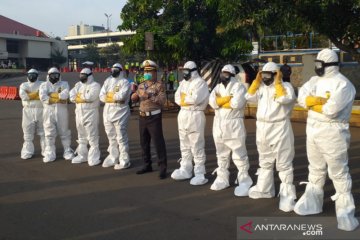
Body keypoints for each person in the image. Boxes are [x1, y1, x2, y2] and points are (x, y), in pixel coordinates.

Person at [295, 49, 358, 231]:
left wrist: (311, 102)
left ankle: (345, 213)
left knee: (338, 173)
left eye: (320, 64)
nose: (317, 67)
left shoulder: (343, 85)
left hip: (333, 133)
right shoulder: (315, 81)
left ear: (329, 64)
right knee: (315, 169)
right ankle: (312, 204)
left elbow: (332, 111)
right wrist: (319, 101)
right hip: (313, 129)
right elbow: (301, 99)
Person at [245, 62, 297, 212]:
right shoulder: (262, 88)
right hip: (262, 127)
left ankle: (287, 196)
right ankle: (265, 189)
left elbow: (284, 100)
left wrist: (279, 82)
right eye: (263, 74)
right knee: (265, 160)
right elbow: (248, 96)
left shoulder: (285, 87)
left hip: (279, 127)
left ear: (276, 74)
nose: (265, 78)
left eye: (268, 75)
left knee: (284, 162)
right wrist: (255, 82)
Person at [208, 64, 252, 195]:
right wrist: (227, 100)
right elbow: (212, 103)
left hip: (234, 124)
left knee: (239, 153)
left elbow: (236, 104)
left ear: (232, 75)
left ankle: (244, 179)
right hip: (218, 124)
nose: (223, 75)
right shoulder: (217, 87)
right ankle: (222, 178)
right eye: (222, 72)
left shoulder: (239, 87)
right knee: (221, 154)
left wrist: (219, 101)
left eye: (226, 73)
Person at [171, 61, 209, 185]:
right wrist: (186, 99)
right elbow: (177, 98)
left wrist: (185, 98)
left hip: (195, 114)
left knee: (196, 145)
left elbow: (196, 99)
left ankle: (199, 173)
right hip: (183, 114)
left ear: (193, 71)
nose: (184, 73)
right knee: (184, 144)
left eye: (187, 71)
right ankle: (186, 169)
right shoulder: (183, 83)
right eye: (183, 71)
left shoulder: (201, 83)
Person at [131, 59, 167, 179]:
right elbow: (135, 98)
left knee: (158, 143)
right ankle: (147, 165)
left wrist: (149, 96)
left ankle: (162, 168)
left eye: (150, 71)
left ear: (155, 72)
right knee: (144, 143)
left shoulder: (159, 85)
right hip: (142, 116)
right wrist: (134, 96)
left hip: (154, 116)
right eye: (146, 71)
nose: (147, 73)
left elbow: (162, 101)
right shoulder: (141, 85)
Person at [100, 63, 132, 170]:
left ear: (121, 70)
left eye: (116, 69)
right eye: (112, 69)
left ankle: (124, 159)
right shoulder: (107, 81)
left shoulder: (125, 82)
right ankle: (113, 156)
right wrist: (112, 97)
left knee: (121, 137)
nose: (113, 71)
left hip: (120, 111)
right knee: (111, 136)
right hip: (107, 111)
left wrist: (109, 96)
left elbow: (121, 96)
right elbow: (101, 96)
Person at [39, 67, 74, 163]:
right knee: (49, 132)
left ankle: (67, 150)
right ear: (48, 76)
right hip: (48, 111)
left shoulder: (64, 84)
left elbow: (65, 96)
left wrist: (51, 95)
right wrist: (58, 98)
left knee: (64, 131)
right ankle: (50, 152)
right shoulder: (43, 85)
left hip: (61, 111)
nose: (54, 77)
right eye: (52, 75)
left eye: (56, 75)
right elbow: (43, 97)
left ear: (59, 75)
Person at [69, 68, 101, 166]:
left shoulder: (95, 85)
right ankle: (83, 155)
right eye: (81, 75)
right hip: (79, 112)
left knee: (92, 136)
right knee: (81, 136)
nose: (82, 77)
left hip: (91, 112)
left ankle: (94, 157)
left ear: (89, 76)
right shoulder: (78, 85)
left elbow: (90, 97)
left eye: (84, 76)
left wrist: (79, 97)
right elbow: (71, 97)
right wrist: (82, 98)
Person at [19, 69, 45, 159]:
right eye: (30, 74)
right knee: (27, 132)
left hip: (41, 110)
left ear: (37, 75)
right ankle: (27, 151)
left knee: (43, 132)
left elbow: (43, 96)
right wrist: (36, 94)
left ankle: (46, 151)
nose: (31, 76)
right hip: (27, 111)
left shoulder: (42, 84)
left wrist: (30, 95)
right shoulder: (23, 85)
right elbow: (23, 96)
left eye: (33, 74)